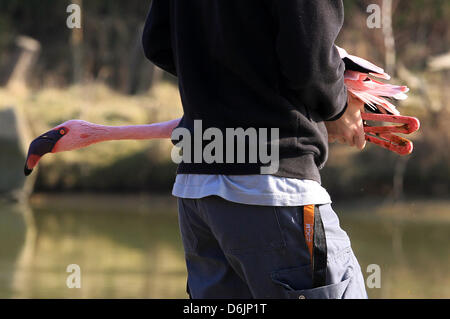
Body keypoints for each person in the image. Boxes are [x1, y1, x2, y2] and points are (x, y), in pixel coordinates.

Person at [142, 0, 368, 299]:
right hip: (274, 188)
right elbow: (308, 62)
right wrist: (337, 109)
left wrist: (226, 86)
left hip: (198, 190)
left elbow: (157, 42)